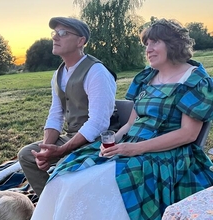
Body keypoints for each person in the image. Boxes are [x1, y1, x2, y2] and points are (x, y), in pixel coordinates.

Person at [31, 18, 213, 220]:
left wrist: (136, 149)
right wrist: (113, 140)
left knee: (88, 185)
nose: (149, 49)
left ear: (173, 44)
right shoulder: (146, 77)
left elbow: (188, 134)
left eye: (155, 42)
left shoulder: (195, 80)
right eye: (146, 44)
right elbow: (130, 123)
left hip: (165, 155)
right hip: (130, 145)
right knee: (64, 176)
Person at [17, 17, 118, 197]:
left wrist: (64, 149)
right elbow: (55, 115)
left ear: (81, 41)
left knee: (65, 162)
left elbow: (98, 123)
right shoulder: (58, 74)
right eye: (55, 33)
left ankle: (69, 205)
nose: (56, 37)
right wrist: (45, 151)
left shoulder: (97, 72)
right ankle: (49, 203)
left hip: (100, 141)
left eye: (63, 33)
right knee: (26, 155)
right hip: (73, 136)